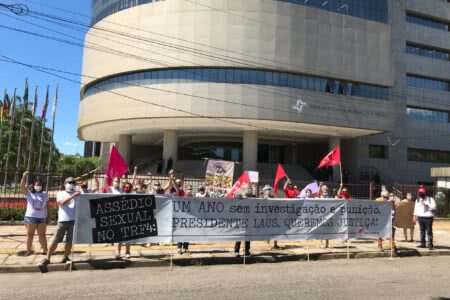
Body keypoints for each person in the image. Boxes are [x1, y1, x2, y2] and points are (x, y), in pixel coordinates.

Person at [39, 177, 80, 267]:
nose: (72, 184)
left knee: (69, 241)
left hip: (73, 221)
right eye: (70, 182)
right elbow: (62, 203)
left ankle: (66, 256)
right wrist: (73, 196)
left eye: (73, 182)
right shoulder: (61, 193)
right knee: (55, 240)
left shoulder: (77, 194)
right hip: (63, 221)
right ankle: (47, 258)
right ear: (65, 184)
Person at [20, 171, 48, 256]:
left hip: (42, 217)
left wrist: (48, 216)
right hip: (31, 217)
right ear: (33, 185)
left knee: (42, 235)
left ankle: (45, 250)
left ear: (42, 186)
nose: (38, 186)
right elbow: (22, 186)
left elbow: (46, 206)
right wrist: (24, 176)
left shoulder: (45, 194)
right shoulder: (29, 194)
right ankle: (29, 250)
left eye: (39, 185)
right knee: (30, 235)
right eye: (36, 185)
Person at [234, 183, 253, 257]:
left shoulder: (250, 193)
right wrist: (243, 195)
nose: (248, 189)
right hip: (240, 217)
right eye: (247, 188)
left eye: (249, 188)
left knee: (248, 236)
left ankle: (247, 251)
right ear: (243, 187)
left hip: (248, 216)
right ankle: (236, 251)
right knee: (239, 235)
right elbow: (236, 200)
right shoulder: (238, 192)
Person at [116, 181, 133, 259]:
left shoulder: (133, 196)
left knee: (128, 238)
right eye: (126, 187)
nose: (127, 188)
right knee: (119, 237)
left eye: (129, 187)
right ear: (123, 188)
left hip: (129, 220)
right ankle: (118, 252)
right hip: (120, 219)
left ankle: (127, 252)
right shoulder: (120, 196)